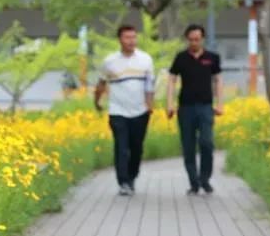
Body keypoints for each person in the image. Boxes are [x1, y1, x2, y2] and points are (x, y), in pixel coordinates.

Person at [94, 25, 155, 196]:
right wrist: (97, 101)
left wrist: (150, 104)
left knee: (136, 148)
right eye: (127, 37)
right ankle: (123, 182)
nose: (131, 41)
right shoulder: (110, 61)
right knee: (121, 146)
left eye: (134, 37)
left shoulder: (145, 59)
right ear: (120, 39)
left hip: (140, 110)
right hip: (117, 110)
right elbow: (101, 83)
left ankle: (132, 176)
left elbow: (150, 84)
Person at [167, 24, 223, 195]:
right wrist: (169, 104)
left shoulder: (212, 57)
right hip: (185, 108)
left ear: (202, 39)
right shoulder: (181, 58)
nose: (194, 42)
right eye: (191, 39)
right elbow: (171, 80)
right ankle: (194, 182)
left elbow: (218, 81)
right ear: (187, 39)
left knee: (207, 143)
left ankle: (205, 179)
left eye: (197, 39)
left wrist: (220, 103)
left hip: (206, 107)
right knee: (188, 146)